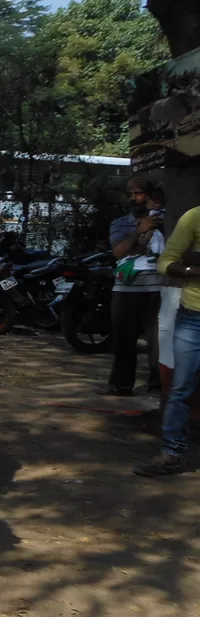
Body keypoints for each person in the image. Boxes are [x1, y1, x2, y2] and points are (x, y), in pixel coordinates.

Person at [136, 195, 200, 475]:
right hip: (194, 318)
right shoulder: (194, 216)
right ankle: (171, 454)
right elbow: (166, 262)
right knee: (182, 387)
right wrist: (194, 270)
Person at [107, 178, 164, 396]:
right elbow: (119, 252)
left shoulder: (165, 220)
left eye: (138, 194)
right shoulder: (120, 223)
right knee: (123, 340)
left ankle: (157, 387)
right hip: (125, 289)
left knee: (157, 342)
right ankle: (120, 385)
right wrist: (139, 230)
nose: (134, 198)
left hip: (156, 288)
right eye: (130, 194)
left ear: (150, 196)